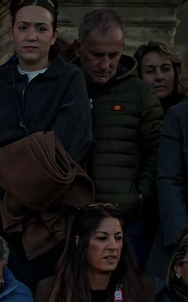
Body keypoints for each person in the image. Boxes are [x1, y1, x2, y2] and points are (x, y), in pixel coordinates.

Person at [0, 0, 90, 282]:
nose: (32, 36)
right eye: (24, 27)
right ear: (12, 31)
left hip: (43, 223)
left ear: (53, 35)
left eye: (41, 28)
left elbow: (64, 150)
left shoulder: (70, 80)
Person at [71, 10, 162, 235]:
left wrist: (140, 195)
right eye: (97, 55)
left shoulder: (140, 94)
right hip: (71, 218)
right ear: (78, 48)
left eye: (114, 55)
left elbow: (158, 149)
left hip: (126, 220)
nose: (105, 64)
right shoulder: (62, 88)